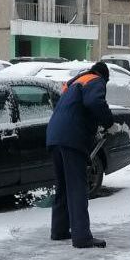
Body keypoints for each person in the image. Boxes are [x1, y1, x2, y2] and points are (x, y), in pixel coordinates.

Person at [46, 61, 115, 248]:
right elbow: (94, 102)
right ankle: (82, 236)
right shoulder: (95, 80)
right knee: (78, 187)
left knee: (63, 186)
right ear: (104, 77)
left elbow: (75, 109)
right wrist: (109, 121)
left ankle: (59, 230)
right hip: (71, 139)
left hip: (54, 136)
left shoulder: (75, 83)